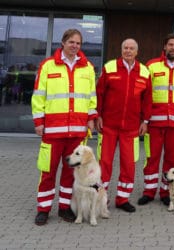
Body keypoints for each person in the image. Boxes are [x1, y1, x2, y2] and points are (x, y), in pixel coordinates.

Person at [31, 29, 97, 225]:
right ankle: (43, 209)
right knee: (48, 171)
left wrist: (91, 117)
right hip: (52, 131)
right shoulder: (47, 66)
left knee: (70, 173)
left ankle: (64, 208)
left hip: (77, 132)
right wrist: (39, 122)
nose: (74, 46)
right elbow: (38, 96)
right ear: (63, 43)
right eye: (71, 42)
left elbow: (91, 96)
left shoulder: (88, 68)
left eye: (78, 43)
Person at [137, 33, 174, 206]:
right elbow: (145, 94)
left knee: (171, 160)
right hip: (154, 123)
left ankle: (165, 192)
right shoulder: (151, 66)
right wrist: (145, 120)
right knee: (152, 158)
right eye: (170, 44)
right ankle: (149, 192)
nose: (173, 48)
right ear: (164, 47)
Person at [96, 38, 152, 213]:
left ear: (137, 52)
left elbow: (148, 99)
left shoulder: (144, 71)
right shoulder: (109, 67)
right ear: (121, 50)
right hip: (109, 126)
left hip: (131, 128)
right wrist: (97, 115)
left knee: (129, 164)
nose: (128, 51)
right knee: (104, 163)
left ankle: (122, 199)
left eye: (131, 48)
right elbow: (99, 93)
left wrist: (145, 121)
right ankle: (100, 199)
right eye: (125, 48)